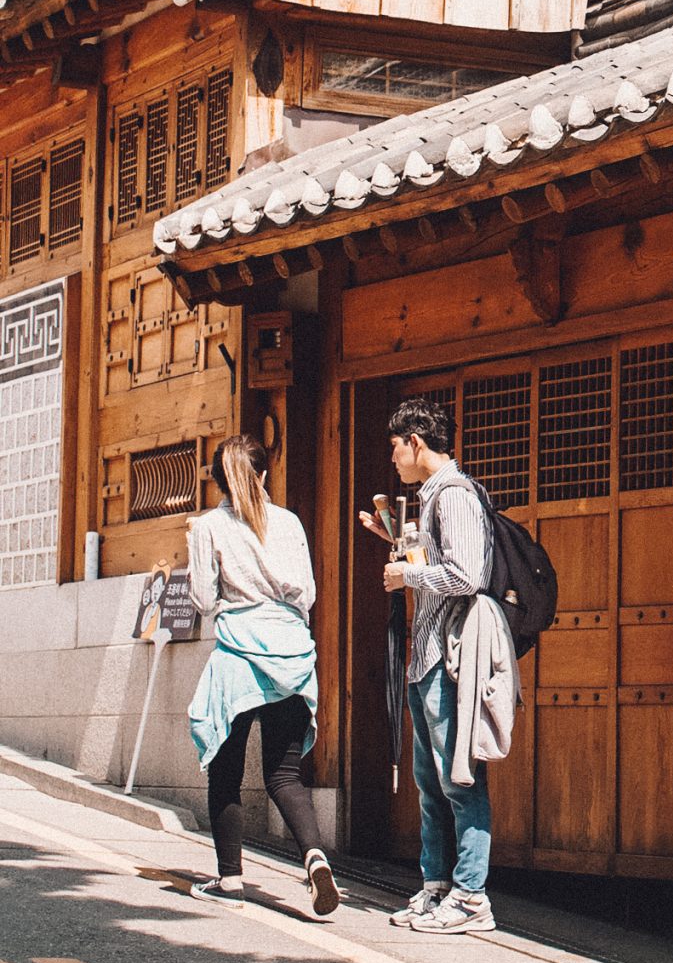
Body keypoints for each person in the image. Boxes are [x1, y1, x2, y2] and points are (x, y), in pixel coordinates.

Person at [185, 434, 340, 916]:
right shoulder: (290, 522)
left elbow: (204, 601)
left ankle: (230, 879)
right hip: (292, 654)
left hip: (239, 658)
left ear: (217, 481)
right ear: (265, 476)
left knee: (226, 771)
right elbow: (308, 595)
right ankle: (315, 859)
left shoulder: (209, 526)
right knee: (284, 775)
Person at [360, 397, 498, 935]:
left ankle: (471, 897)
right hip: (427, 657)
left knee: (459, 779)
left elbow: (467, 576)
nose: (392, 459)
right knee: (430, 781)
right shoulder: (433, 497)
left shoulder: (455, 496)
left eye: (395, 447)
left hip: (447, 657)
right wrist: (397, 543)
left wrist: (406, 577)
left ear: (416, 441)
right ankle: (437, 885)